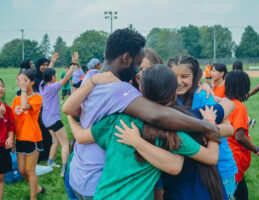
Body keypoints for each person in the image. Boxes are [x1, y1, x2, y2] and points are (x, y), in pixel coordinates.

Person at [63, 28, 219, 199]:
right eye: (137, 65)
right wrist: (208, 126)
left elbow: (73, 116)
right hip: (96, 180)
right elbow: (158, 115)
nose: (137, 71)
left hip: (79, 174)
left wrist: (71, 119)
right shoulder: (122, 92)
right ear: (126, 58)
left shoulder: (93, 77)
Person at [168, 54, 236, 200]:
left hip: (220, 166)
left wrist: (208, 128)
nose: (179, 82)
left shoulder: (202, 95)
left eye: (184, 76)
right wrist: (205, 129)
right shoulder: (171, 99)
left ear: (194, 77)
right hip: (195, 170)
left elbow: (229, 128)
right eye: (174, 76)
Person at [225, 70, 259, 200]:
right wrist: (258, 150)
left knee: (241, 191)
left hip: (226, 157)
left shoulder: (224, 103)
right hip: (235, 159)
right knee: (232, 193)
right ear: (244, 88)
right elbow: (240, 136)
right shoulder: (239, 108)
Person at [39, 52, 77, 176]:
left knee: (55, 140)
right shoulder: (53, 87)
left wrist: (52, 61)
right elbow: (66, 78)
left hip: (46, 120)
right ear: (53, 77)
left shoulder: (42, 85)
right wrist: (74, 63)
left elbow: (47, 72)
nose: (56, 76)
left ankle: (50, 162)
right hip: (54, 120)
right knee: (65, 143)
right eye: (55, 75)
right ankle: (64, 169)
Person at [12, 69, 45, 200]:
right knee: (22, 170)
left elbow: (25, 105)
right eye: (20, 80)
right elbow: (14, 120)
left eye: (24, 80)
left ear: (32, 82)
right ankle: (37, 188)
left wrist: (23, 90)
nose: (21, 83)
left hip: (33, 138)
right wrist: (12, 138)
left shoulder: (37, 98)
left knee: (30, 171)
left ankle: (33, 197)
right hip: (20, 138)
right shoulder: (16, 100)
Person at [33, 53, 59, 162]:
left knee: (48, 133)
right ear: (38, 65)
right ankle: (40, 155)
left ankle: (47, 153)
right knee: (41, 132)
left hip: (47, 109)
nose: (45, 66)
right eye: (43, 64)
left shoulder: (45, 78)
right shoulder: (36, 78)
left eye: (46, 64)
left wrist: (52, 62)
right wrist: (52, 63)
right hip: (38, 110)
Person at [0, 78, 15, 200]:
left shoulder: (7, 108)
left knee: (0, 177)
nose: (1, 89)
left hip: (2, 147)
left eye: (2, 86)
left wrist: (10, 138)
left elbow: (11, 126)